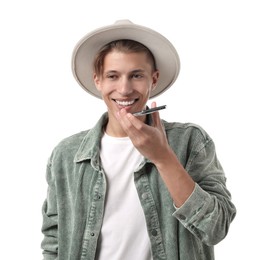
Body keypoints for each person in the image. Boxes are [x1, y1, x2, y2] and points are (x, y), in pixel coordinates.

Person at [41, 20, 236, 260]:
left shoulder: (190, 142)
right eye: (113, 76)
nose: (124, 89)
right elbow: (53, 241)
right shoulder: (66, 154)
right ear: (98, 80)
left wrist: (163, 158)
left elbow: (216, 228)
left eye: (136, 75)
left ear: (153, 80)